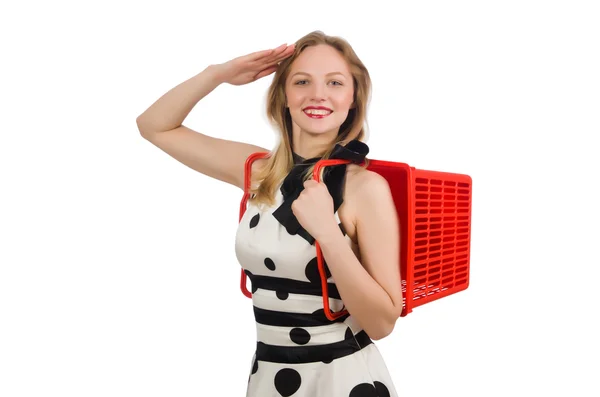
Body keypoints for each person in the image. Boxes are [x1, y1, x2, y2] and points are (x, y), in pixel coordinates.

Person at [137, 30, 402, 397]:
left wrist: (327, 232)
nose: (318, 94)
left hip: (342, 380)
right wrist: (218, 74)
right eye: (302, 81)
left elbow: (382, 321)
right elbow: (153, 125)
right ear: (283, 96)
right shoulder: (259, 172)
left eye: (335, 82)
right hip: (270, 377)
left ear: (353, 99)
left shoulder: (364, 188)